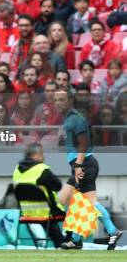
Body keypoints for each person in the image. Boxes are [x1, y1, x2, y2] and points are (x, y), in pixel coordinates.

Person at [54, 90, 122, 250]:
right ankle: (75, 239)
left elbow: (83, 144)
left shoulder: (75, 119)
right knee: (69, 200)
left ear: (70, 100)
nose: (57, 103)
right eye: (55, 100)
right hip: (81, 164)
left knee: (89, 202)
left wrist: (78, 165)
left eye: (61, 99)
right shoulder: (69, 119)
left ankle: (112, 231)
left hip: (84, 164)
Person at [12, 143, 65, 248]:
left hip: (26, 212)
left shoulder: (17, 170)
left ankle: (59, 243)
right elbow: (58, 186)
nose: (43, 156)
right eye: (41, 153)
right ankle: (64, 243)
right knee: (70, 215)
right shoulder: (41, 169)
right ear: (35, 155)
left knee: (48, 220)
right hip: (46, 211)